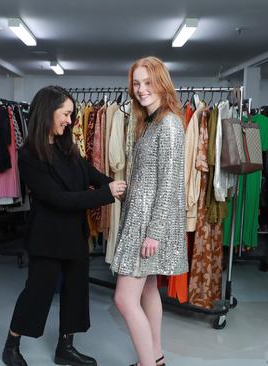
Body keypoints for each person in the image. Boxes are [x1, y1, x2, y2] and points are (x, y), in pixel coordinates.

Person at [2, 85, 127, 366]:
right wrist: (106, 194)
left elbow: (89, 173)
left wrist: (117, 187)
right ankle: (12, 344)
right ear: (48, 112)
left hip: (73, 232)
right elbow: (57, 198)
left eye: (71, 115)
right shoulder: (29, 155)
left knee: (76, 291)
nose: (70, 121)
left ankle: (65, 347)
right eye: (66, 114)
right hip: (47, 236)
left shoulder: (65, 145)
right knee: (37, 291)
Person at [110, 57, 188, 366]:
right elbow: (151, 176)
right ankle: (155, 358)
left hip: (147, 224)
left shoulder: (168, 123)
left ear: (161, 83)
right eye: (136, 83)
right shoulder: (150, 121)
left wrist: (154, 232)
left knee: (124, 298)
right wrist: (128, 190)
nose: (141, 89)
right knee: (148, 291)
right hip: (140, 214)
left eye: (147, 82)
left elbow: (169, 183)